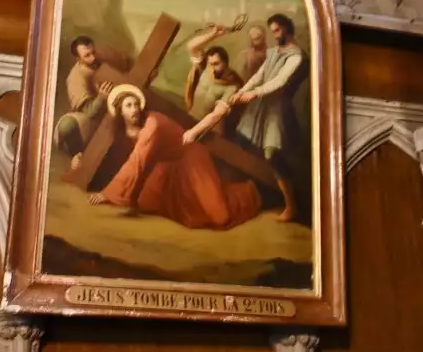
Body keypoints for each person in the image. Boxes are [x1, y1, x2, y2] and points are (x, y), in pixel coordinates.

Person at [183, 14, 308, 223]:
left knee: (271, 154)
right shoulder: (274, 52)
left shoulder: (296, 56)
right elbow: (260, 75)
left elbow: (280, 81)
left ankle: (290, 205)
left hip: (276, 109)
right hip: (259, 105)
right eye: (273, 31)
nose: (275, 35)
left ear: (288, 28)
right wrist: (244, 91)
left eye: (277, 30)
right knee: (243, 143)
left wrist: (251, 93)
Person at [88, 84, 261, 230]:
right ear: (120, 110)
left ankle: (249, 193)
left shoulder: (152, 124)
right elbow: (139, 161)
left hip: (192, 159)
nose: (134, 109)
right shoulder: (125, 130)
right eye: (128, 106)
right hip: (169, 166)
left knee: (221, 217)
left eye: (136, 104)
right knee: (146, 203)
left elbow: (137, 161)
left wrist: (108, 193)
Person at [54, 35, 132, 157]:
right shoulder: (75, 79)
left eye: (93, 52)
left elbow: (126, 61)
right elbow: (88, 112)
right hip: (102, 118)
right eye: (87, 55)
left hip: (126, 94)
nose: (93, 57)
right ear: (78, 59)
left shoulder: (102, 54)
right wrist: (101, 97)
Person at [184, 24, 243, 134]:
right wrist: (213, 34)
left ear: (225, 63)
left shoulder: (232, 86)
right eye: (210, 64)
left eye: (216, 64)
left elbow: (217, 114)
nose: (213, 68)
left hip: (206, 131)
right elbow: (191, 47)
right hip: (189, 118)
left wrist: (194, 132)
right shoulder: (206, 67)